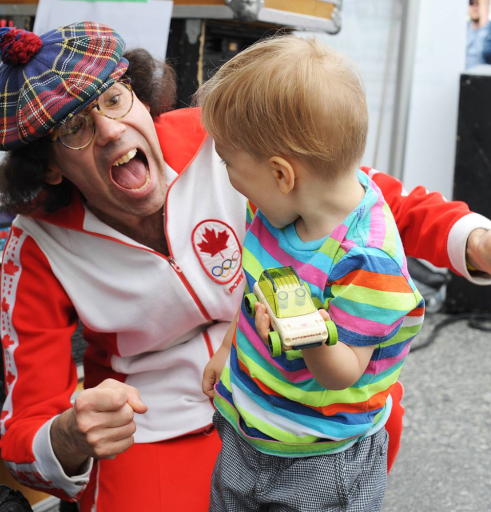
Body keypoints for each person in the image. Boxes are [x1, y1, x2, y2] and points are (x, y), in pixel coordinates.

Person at [0, 22, 491, 512]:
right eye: (73, 127)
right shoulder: (37, 244)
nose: (110, 129)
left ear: (141, 97)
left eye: (115, 98)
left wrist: (475, 239)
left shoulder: (223, 132)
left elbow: (357, 200)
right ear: (49, 165)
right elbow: (25, 430)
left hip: (293, 384)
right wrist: (71, 435)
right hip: (156, 420)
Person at [196, 36, 421, 511]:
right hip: (248, 427)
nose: (228, 178)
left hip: (321, 458)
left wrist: (306, 331)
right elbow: (257, 290)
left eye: (229, 163)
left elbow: (343, 372)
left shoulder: (367, 260)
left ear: (282, 174)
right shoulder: (276, 211)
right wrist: (226, 349)